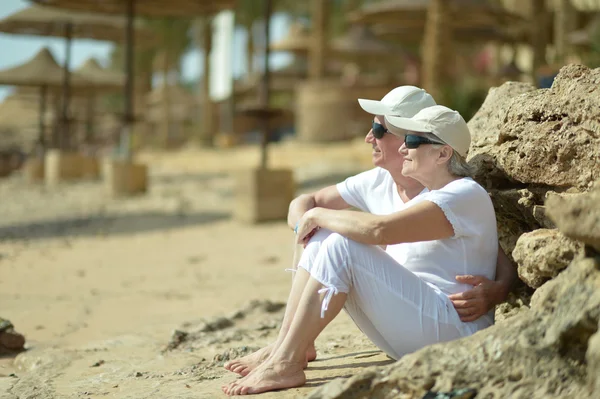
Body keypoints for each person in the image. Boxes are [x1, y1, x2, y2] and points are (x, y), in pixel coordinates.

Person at [224, 86, 516, 378]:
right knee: (325, 236)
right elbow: (314, 207)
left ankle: (285, 360)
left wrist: (500, 288)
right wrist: (310, 223)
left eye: (409, 138)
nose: (371, 138)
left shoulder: (461, 193)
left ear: (441, 153)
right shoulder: (407, 184)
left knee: (339, 241)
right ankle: (288, 347)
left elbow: (379, 230)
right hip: (417, 323)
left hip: (452, 330)